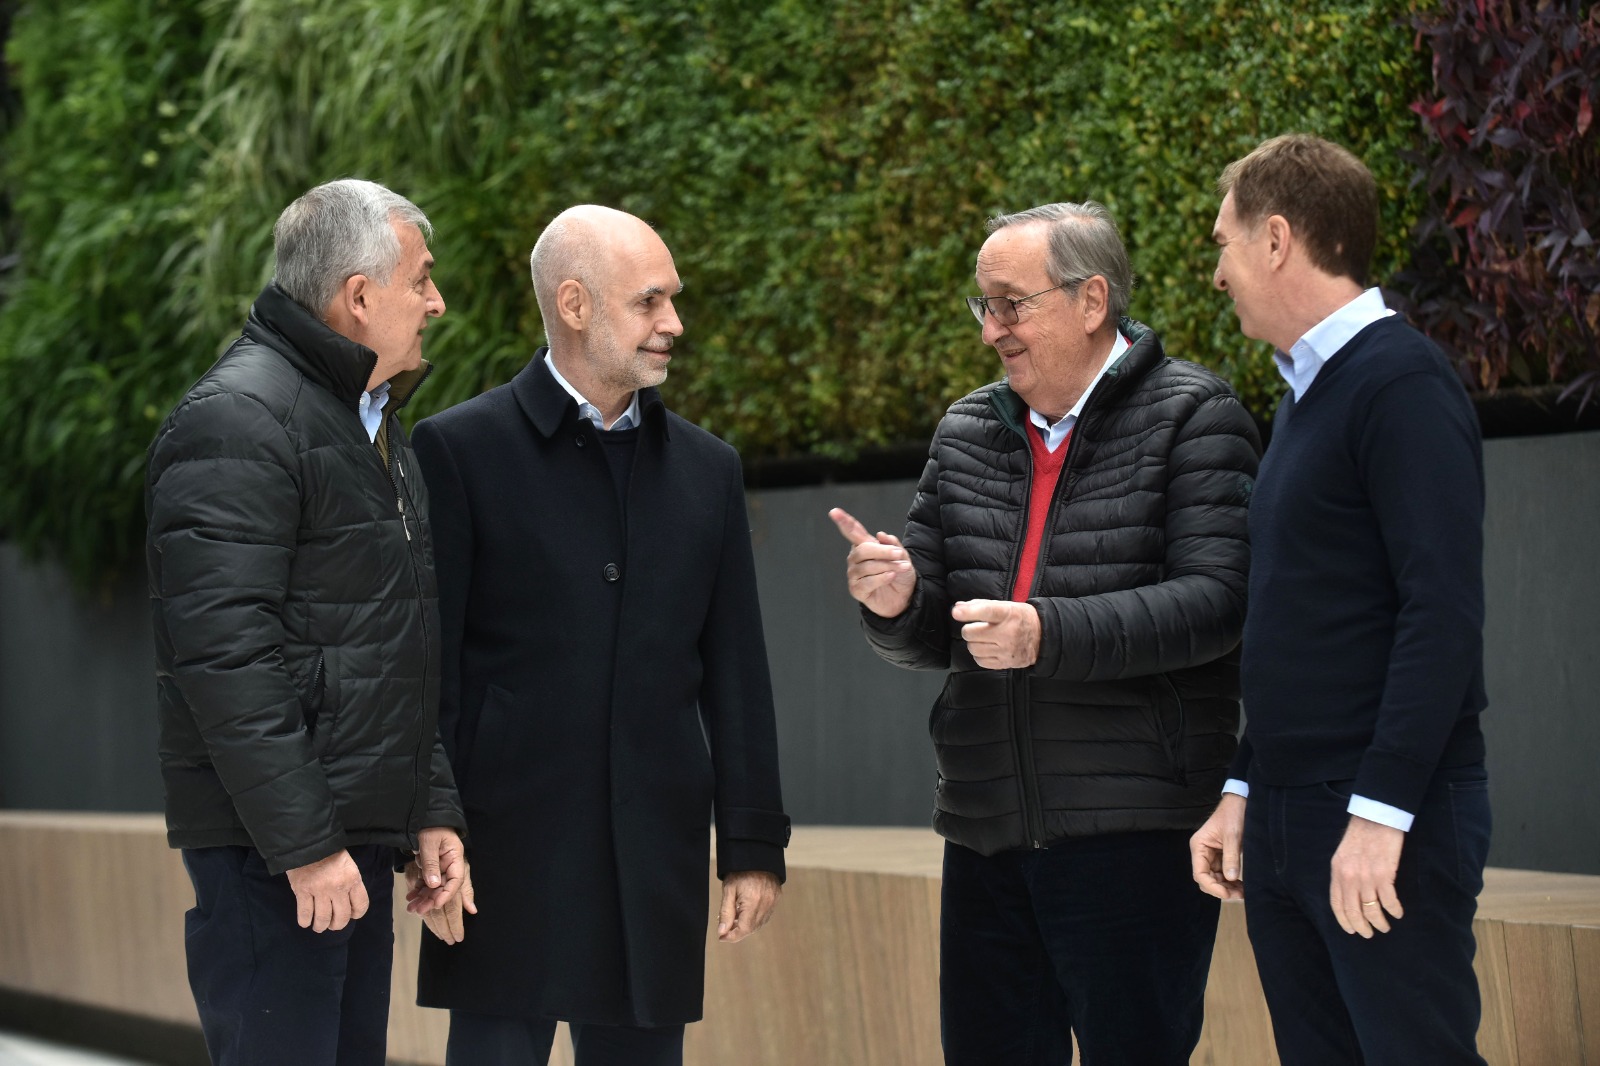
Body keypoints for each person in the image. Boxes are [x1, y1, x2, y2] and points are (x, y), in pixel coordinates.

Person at [830, 201, 1260, 1064]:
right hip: (986, 826)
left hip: (1133, 834)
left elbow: (1220, 603)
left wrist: (1045, 634)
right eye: (983, 307)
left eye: (1010, 304)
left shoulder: (1196, 416)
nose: (991, 330)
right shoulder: (966, 430)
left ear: (1091, 299)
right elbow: (933, 630)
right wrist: (894, 599)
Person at [410, 204, 790, 1066]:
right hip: (504, 857)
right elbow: (431, 667)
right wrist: (429, 823)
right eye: (650, 302)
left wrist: (754, 844)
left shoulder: (708, 469)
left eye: (673, 300)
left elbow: (737, 671)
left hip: (651, 855)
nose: (674, 324)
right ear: (574, 304)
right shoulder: (458, 451)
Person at [146, 178, 470, 1066]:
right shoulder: (239, 421)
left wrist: (428, 813)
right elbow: (223, 658)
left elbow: (392, 646)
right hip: (279, 857)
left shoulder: (365, 424)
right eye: (422, 281)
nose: (437, 303)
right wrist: (305, 845)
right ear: (358, 297)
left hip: (345, 843)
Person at [1189, 134, 1491, 1065]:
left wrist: (1380, 813)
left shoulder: (1400, 384)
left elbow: (1440, 613)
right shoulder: (1302, 397)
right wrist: (1246, 783)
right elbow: (1301, 617)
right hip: (1288, 814)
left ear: (1277, 239)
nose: (1217, 273)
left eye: (1224, 242)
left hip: (1374, 816)